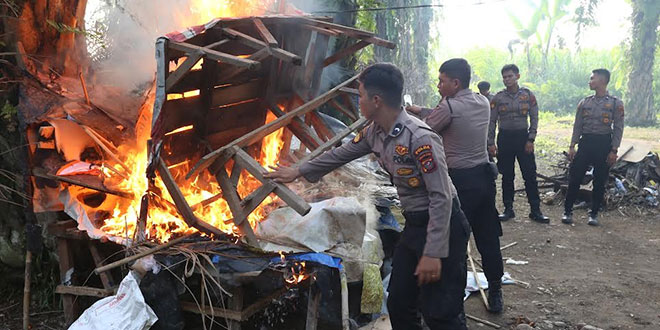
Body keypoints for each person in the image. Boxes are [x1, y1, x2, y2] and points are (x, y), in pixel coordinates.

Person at [265, 63, 470, 329]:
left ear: (376, 100)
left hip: (444, 227)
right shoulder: (375, 131)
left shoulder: (419, 138)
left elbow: (441, 197)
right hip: (416, 226)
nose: (358, 101)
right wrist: (298, 171)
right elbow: (340, 154)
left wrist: (433, 252)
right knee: (399, 304)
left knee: (441, 313)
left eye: (360, 95)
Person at [406, 58, 505, 313]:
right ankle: (495, 289)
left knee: (456, 241)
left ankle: (453, 301)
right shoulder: (482, 101)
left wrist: (409, 114)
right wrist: (421, 109)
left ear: (455, 82)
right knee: (488, 236)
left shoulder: (449, 107)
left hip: (460, 182)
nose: (438, 85)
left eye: (442, 81)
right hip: (484, 179)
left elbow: (426, 128)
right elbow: (445, 115)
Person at [561, 68, 624, 226]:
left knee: (600, 180)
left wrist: (614, 150)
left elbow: (618, 128)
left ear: (602, 81)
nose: (589, 81)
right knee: (575, 177)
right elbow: (577, 126)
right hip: (586, 143)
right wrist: (572, 146)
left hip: (603, 144)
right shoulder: (584, 102)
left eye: (592, 79)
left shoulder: (615, 103)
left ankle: (593, 213)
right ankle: (567, 211)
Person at [488, 64, 549, 223]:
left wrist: (531, 139)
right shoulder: (498, 97)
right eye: (504, 77)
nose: (507, 79)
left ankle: (535, 210)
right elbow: (492, 121)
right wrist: (491, 143)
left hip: (523, 139)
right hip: (505, 138)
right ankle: (508, 209)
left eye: (510, 76)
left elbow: (534, 118)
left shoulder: (528, 95)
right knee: (507, 175)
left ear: (517, 76)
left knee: (529, 175)